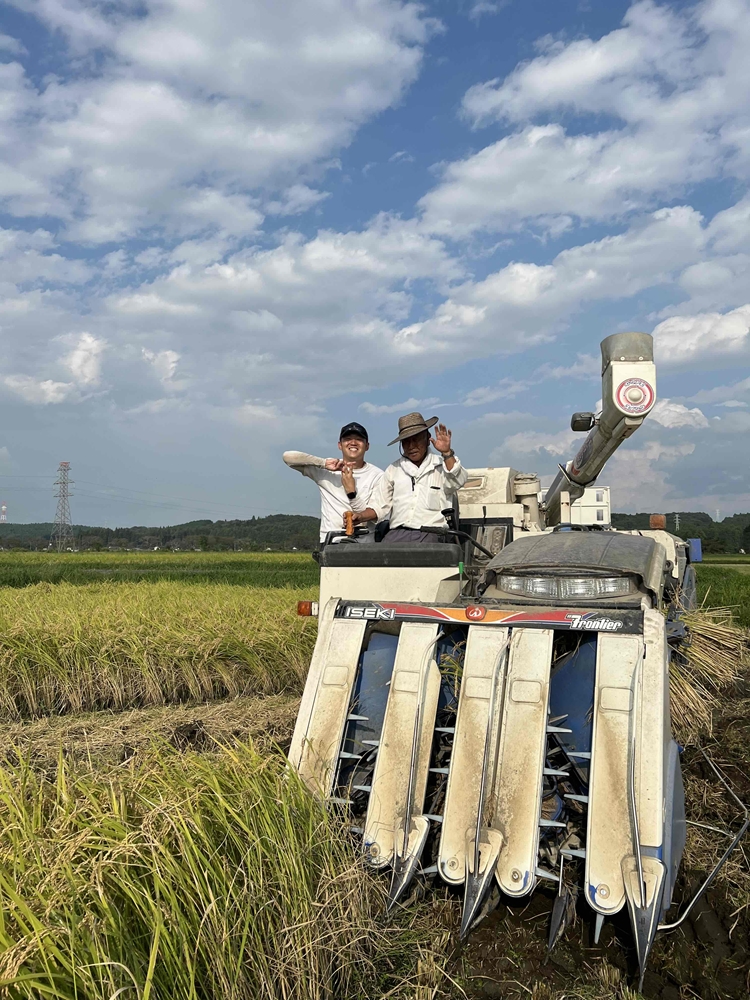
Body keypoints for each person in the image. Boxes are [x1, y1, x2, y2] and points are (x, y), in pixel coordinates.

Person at [351, 411, 467, 542]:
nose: (412, 446)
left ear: (428, 438)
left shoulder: (442, 465)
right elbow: (379, 505)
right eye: (406, 441)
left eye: (416, 439)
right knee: (380, 557)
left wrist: (446, 453)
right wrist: (360, 516)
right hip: (397, 534)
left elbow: (458, 480)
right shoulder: (393, 470)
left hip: (432, 533)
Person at [283, 422, 383, 544]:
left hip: (364, 543)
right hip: (331, 541)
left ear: (367, 446)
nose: (353, 442)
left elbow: (374, 513)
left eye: (359, 439)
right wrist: (323, 463)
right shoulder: (326, 470)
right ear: (339, 445)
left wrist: (351, 492)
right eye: (347, 439)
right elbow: (288, 457)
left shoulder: (378, 475)